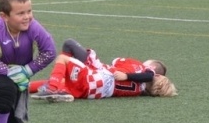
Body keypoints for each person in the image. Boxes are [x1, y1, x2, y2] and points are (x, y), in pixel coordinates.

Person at [30, 38, 177, 102]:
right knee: (62, 79)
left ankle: (53, 89)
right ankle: (26, 87)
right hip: (92, 91)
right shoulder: (137, 91)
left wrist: (126, 75)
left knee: (63, 57)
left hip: (93, 79)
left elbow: (117, 62)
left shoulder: (141, 69)